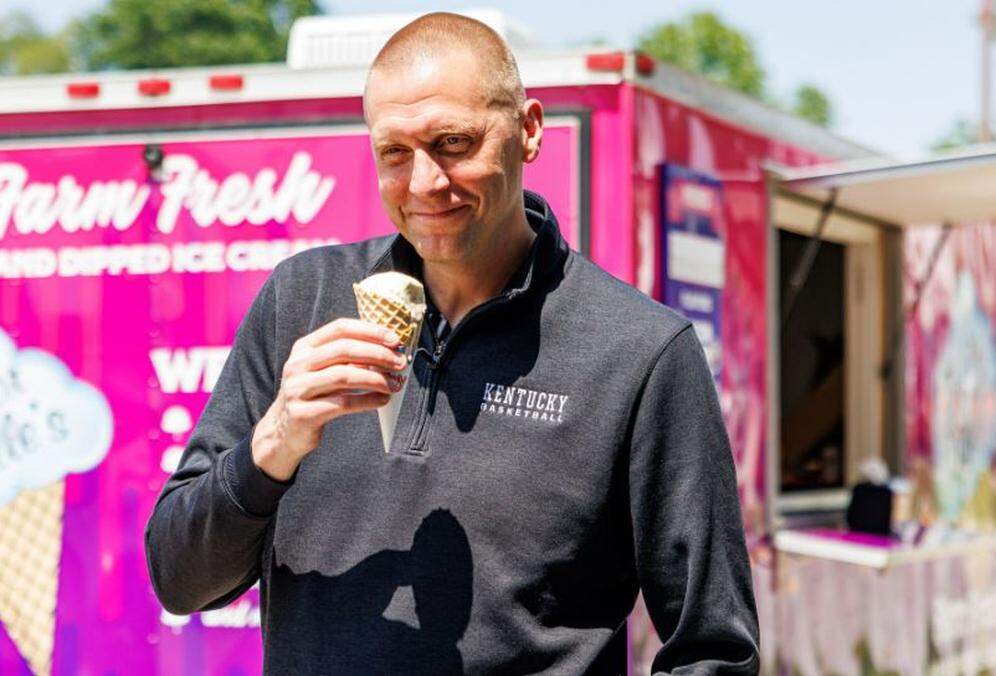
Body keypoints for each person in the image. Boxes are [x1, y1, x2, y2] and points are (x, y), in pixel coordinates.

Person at [146, 12, 759, 674]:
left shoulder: (640, 352)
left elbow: (714, 649)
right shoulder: (302, 300)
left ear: (528, 131)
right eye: (395, 153)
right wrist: (275, 442)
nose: (424, 184)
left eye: (453, 143)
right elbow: (180, 580)